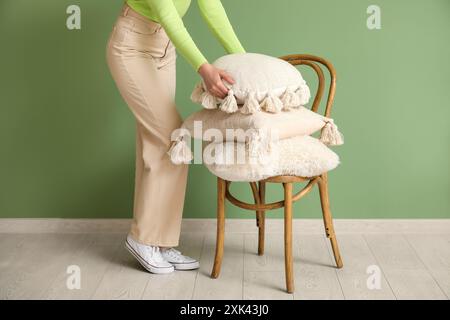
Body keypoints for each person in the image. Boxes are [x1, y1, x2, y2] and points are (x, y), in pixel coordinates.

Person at [106, 0, 245, 274]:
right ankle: (142, 238)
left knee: (157, 144)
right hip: (131, 47)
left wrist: (244, 61)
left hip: (165, 49)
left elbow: (212, 8)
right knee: (173, 138)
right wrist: (204, 68)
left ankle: (159, 240)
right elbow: (167, 14)